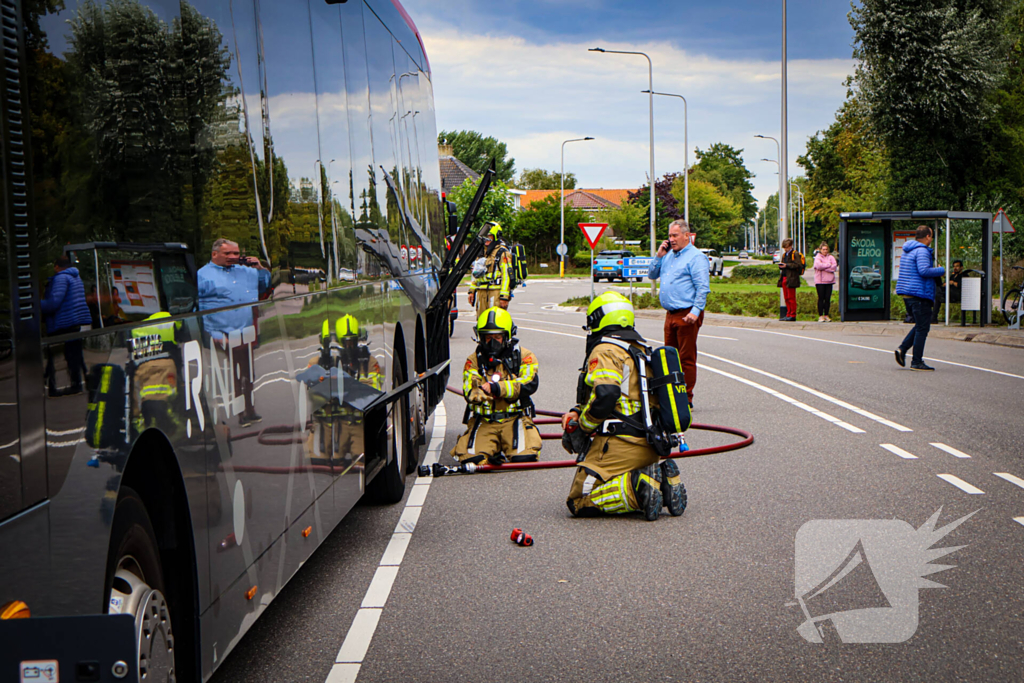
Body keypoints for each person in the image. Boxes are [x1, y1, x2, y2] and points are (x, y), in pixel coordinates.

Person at [561, 292, 687, 521]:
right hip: (650, 445)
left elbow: (607, 395)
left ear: (599, 320)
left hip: (620, 445)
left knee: (578, 500)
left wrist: (583, 425)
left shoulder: (606, 350)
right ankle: (662, 480)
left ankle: (639, 486)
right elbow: (626, 399)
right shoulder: (641, 350)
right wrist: (578, 410)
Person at [450, 307, 541, 465]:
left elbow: (528, 383)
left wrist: (498, 388)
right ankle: (489, 445)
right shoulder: (474, 361)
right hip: (485, 421)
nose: (492, 342)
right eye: (487, 337)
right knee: (470, 459)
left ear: (507, 336)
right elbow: (469, 385)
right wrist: (476, 392)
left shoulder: (524, 357)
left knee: (524, 459)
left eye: (497, 336)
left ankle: (518, 441)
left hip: (514, 418)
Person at [198, 238, 271, 426]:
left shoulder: (245, 271)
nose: (233, 257)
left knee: (248, 373)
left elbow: (265, 287)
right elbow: (201, 308)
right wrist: (214, 335)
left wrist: (260, 268)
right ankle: (241, 415)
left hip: (244, 331)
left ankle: (251, 410)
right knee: (235, 376)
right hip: (222, 334)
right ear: (215, 254)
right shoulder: (204, 275)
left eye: (236, 253)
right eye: (228, 253)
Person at [647, 219, 709, 408]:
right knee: (669, 357)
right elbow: (651, 275)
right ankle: (671, 393)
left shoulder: (695, 257)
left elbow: (702, 287)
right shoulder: (667, 256)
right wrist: (658, 256)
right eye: (669, 236)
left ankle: (686, 397)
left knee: (686, 357)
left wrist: (695, 312)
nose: (671, 239)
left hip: (687, 314)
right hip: (670, 314)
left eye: (675, 235)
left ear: (686, 235)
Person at [895, 225, 945, 371]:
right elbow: (923, 270)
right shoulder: (922, 251)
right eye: (932, 236)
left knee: (920, 325)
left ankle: (902, 349)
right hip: (919, 294)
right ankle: (916, 361)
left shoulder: (908, 250)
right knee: (923, 327)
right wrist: (940, 270)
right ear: (928, 236)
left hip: (908, 294)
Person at [41, 256, 93, 396]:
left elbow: (54, 302)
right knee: (75, 354)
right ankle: (80, 382)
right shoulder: (75, 277)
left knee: (56, 354)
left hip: (63, 322)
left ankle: (55, 385)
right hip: (74, 321)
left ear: (57, 266)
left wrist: (37, 305)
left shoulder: (61, 278)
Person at [467, 223, 511, 318]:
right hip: (481, 293)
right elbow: (476, 274)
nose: (487, 239)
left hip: (495, 293)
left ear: (496, 236)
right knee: (481, 321)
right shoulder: (482, 252)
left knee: (495, 321)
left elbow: (506, 275)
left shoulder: (502, 252)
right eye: (485, 236)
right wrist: (471, 291)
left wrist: (504, 297)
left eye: (489, 236)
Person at [777, 238, 801, 321]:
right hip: (784, 277)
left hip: (791, 278)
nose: (785, 249)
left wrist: (787, 265)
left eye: (787, 247)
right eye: (784, 248)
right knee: (786, 297)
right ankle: (788, 313)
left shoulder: (795, 254)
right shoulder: (784, 255)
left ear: (791, 246)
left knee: (791, 297)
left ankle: (793, 314)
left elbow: (798, 265)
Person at [813, 242, 837, 322]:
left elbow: (834, 267)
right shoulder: (818, 257)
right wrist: (828, 265)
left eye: (826, 249)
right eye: (823, 249)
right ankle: (820, 315)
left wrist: (824, 267)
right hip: (820, 281)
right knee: (821, 298)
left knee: (827, 299)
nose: (825, 251)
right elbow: (818, 266)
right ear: (820, 250)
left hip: (829, 281)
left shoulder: (831, 257)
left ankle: (826, 315)